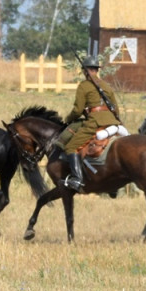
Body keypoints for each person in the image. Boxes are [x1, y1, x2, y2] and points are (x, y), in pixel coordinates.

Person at [57, 55, 119, 191]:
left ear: (85, 71)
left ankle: (77, 179)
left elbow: (78, 110)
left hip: (95, 122)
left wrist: (68, 119)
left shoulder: (84, 85)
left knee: (71, 147)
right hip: (112, 122)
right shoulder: (106, 86)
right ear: (97, 70)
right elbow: (115, 107)